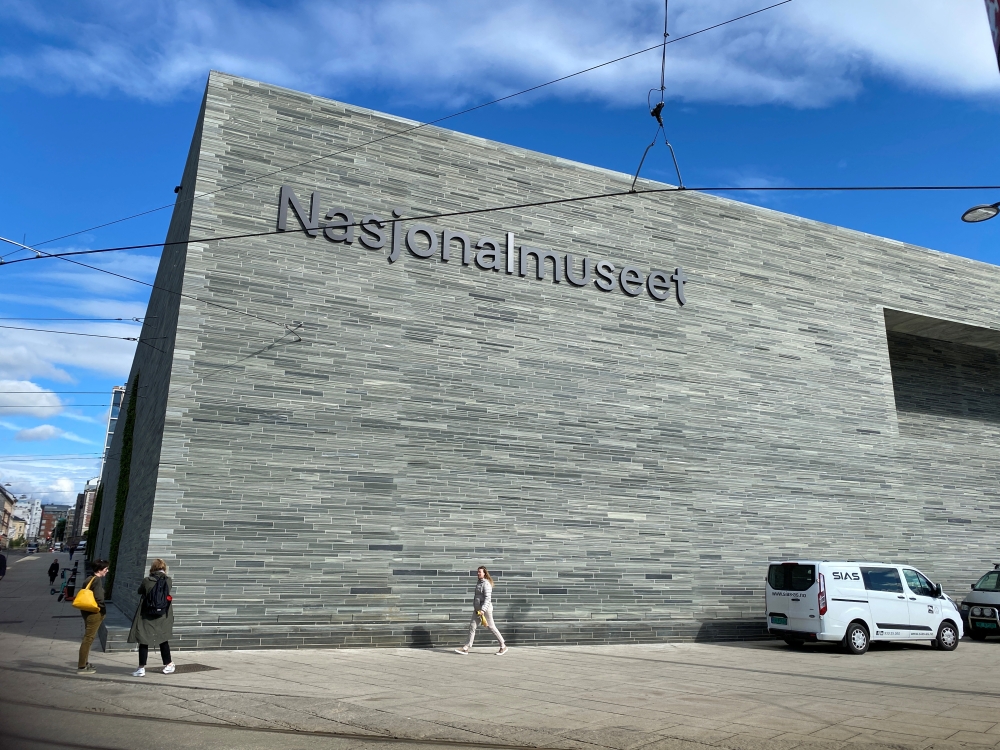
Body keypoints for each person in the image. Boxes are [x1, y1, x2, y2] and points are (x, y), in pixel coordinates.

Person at [128, 558, 175, 677]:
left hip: (147, 614)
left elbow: (140, 591)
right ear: (164, 568)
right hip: (163, 614)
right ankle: (169, 664)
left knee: (143, 640)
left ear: (153, 568)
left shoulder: (147, 580)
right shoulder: (168, 580)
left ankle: (141, 668)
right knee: (163, 639)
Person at [455, 566, 508, 656]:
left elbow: (488, 598)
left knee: (491, 627)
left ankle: (503, 645)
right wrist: (477, 607)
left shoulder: (486, 584)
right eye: (478, 572)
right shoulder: (479, 582)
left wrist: (483, 609)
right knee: (472, 626)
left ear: (484, 573)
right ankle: (466, 647)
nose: (478, 573)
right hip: (477, 609)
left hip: (485, 610)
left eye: (480, 572)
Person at [77, 560, 109, 675]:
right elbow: (99, 597)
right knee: (88, 639)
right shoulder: (97, 581)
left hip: (86, 611)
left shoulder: (89, 579)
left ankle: (84, 663)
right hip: (94, 613)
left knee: (88, 638)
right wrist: (102, 608)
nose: (107, 571)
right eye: (105, 569)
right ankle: (81, 666)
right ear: (99, 570)